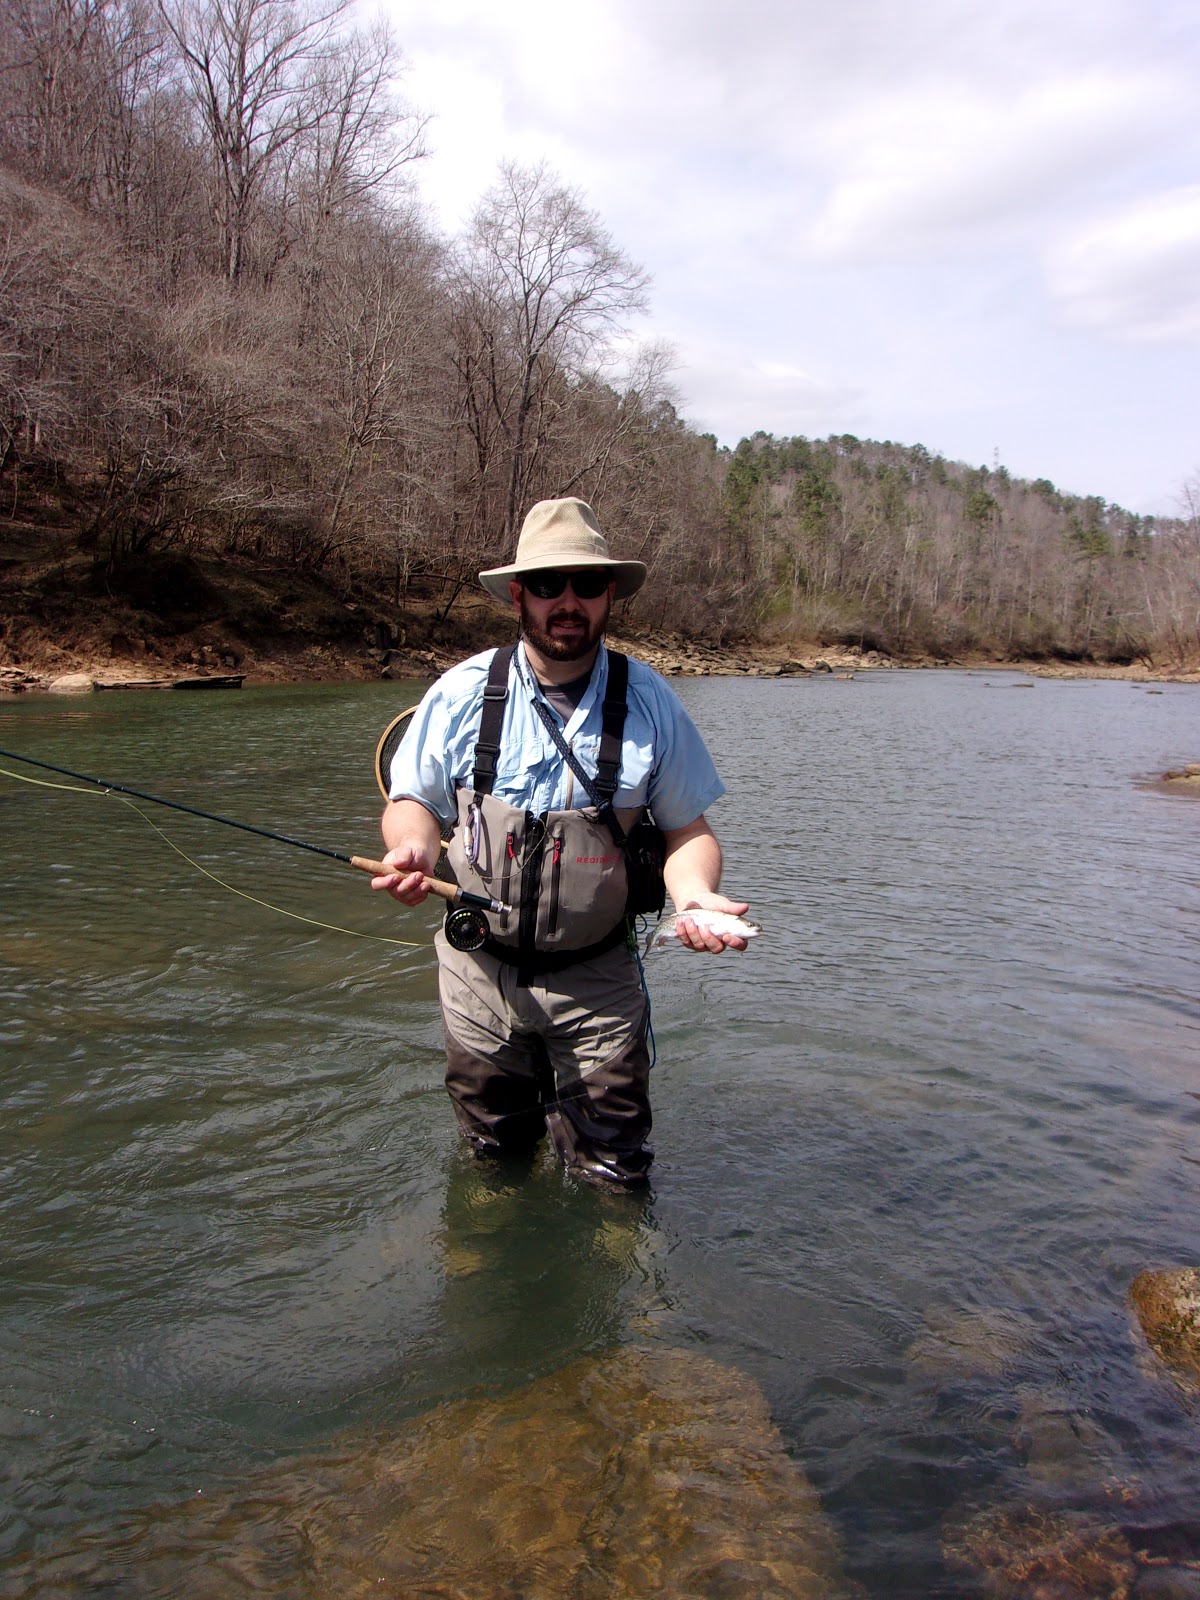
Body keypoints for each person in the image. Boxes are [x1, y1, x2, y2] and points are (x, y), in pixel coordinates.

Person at [371, 497, 748, 1188]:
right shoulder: (459, 693)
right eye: (547, 584)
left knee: (618, 1173)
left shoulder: (652, 701)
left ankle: (627, 1285)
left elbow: (688, 829)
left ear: (611, 596)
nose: (566, 601)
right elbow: (412, 804)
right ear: (519, 596)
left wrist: (695, 895)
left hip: (600, 986)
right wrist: (415, 851)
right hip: (477, 976)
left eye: (586, 584)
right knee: (493, 1161)